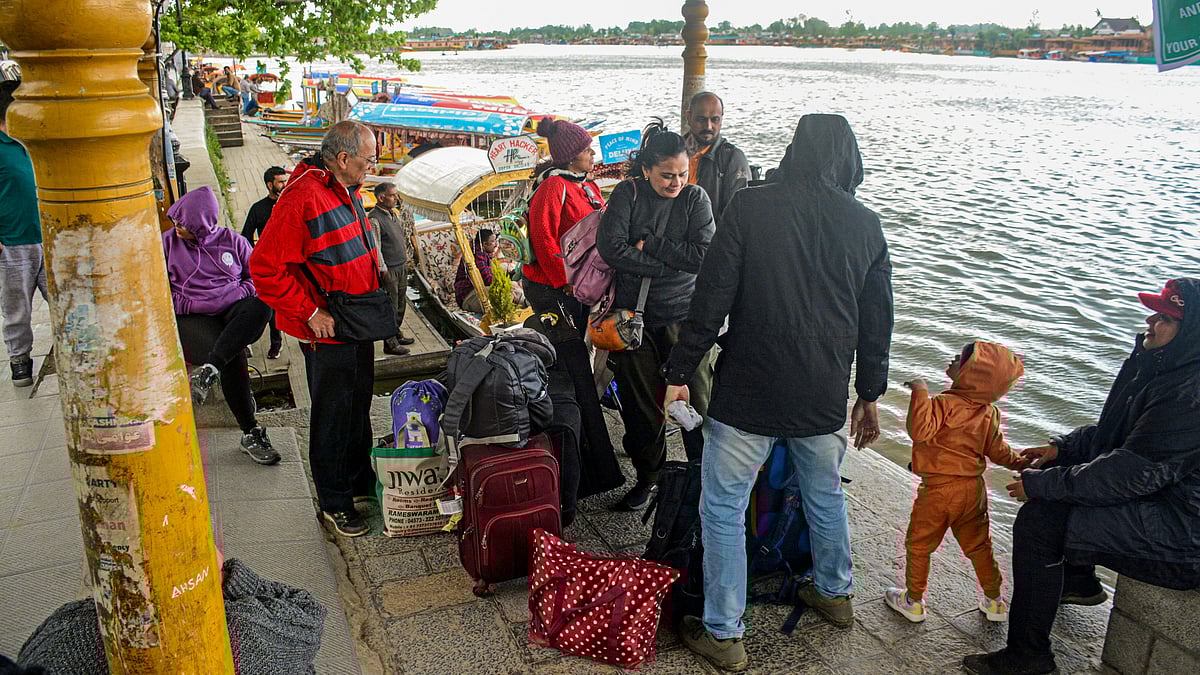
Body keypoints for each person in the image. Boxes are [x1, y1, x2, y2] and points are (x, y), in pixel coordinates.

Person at [663, 114, 892, 671]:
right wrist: (869, 393)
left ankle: (723, 631)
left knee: (722, 505)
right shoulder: (866, 224)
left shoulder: (750, 206)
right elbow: (876, 320)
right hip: (821, 394)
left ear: (795, 150)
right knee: (824, 492)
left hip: (749, 389)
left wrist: (678, 369)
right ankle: (835, 594)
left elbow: (711, 297)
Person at [963, 278, 1200, 675]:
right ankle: (1078, 579)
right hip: (1161, 492)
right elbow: (1116, 434)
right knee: (1057, 472)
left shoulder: (1189, 394)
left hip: (1185, 528)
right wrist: (1062, 449)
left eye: (1165, 318)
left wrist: (1042, 486)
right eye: (1154, 312)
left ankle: (1028, 657)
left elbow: (1130, 472)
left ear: (1190, 332)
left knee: (1040, 520)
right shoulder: (1162, 364)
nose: (1150, 322)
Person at [249, 120, 385, 538]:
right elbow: (264, 269)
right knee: (332, 413)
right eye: (369, 159)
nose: (372, 167)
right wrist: (309, 313)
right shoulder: (303, 196)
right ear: (343, 158)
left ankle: (358, 480)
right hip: (327, 328)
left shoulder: (342, 187)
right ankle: (334, 501)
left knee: (358, 404)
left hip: (355, 318)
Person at [597, 120, 716, 511]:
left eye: (682, 174)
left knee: (698, 401)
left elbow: (703, 256)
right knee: (641, 406)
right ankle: (649, 478)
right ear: (646, 170)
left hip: (685, 317)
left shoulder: (695, 199)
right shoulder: (627, 195)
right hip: (635, 319)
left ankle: (704, 474)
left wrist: (650, 246)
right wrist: (669, 264)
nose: (675, 182)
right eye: (666, 175)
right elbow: (611, 249)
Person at [885, 341, 1027, 624]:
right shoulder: (989, 413)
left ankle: (913, 600)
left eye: (962, 359)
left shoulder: (944, 404)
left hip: (938, 491)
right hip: (973, 491)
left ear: (971, 375)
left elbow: (920, 431)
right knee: (979, 545)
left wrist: (919, 390)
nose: (953, 358)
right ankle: (995, 601)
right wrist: (1022, 463)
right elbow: (999, 452)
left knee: (920, 544)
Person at [522, 117, 624, 498]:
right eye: (587, 150)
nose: (593, 154)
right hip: (557, 293)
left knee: (577, 366)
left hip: (578, 292)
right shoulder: (553, 187)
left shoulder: (588, 187)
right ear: (570, 156)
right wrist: (567, 282)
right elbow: (543, 238)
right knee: (574, 368)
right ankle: (588, 465)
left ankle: (587, 462)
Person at [164, 187, 279, 465]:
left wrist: (236, 294)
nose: (177, 227)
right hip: (193, 316)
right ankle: (250, 431)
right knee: (232, 353)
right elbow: (159, 293)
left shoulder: (234, 242)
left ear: (201, 223)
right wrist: (193, 304)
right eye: (175, 221)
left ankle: (210, 369)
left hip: (232, 309)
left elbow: (257, 279)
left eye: (183, 223)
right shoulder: (166, 244)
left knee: (263, 302)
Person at [0, 80, 49, 388]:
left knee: (62, 302)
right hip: (12, 242)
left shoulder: (33, 142)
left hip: (48, 236)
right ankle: (20, 360)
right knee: (17, 308)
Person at [241, 166, 289, 359]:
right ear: (270, 185)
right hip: (271, 264)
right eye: (280, 182)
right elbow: (245, 237)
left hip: (293, 261)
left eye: (286, 181)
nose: (285, 185)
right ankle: (276, 343)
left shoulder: (292, 204)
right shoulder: (258, 209)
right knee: (271, 305)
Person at [685, 91, 750, 225]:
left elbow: (738, 214)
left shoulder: (732, 158)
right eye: (701, 119)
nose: (708, 126)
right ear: (688, 117)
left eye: (715, 120)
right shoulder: (674, 151)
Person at [368, 181, 416, 356]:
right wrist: (383, 269)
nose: (396, 198)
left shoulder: (392, 214)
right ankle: (390, 343)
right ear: (381, 198)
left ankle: (396, 333)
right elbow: (375, 246)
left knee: (401, 303)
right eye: (392, 195)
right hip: (389, 269)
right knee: (391, 306)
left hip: (401, 266)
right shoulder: (374, 219)